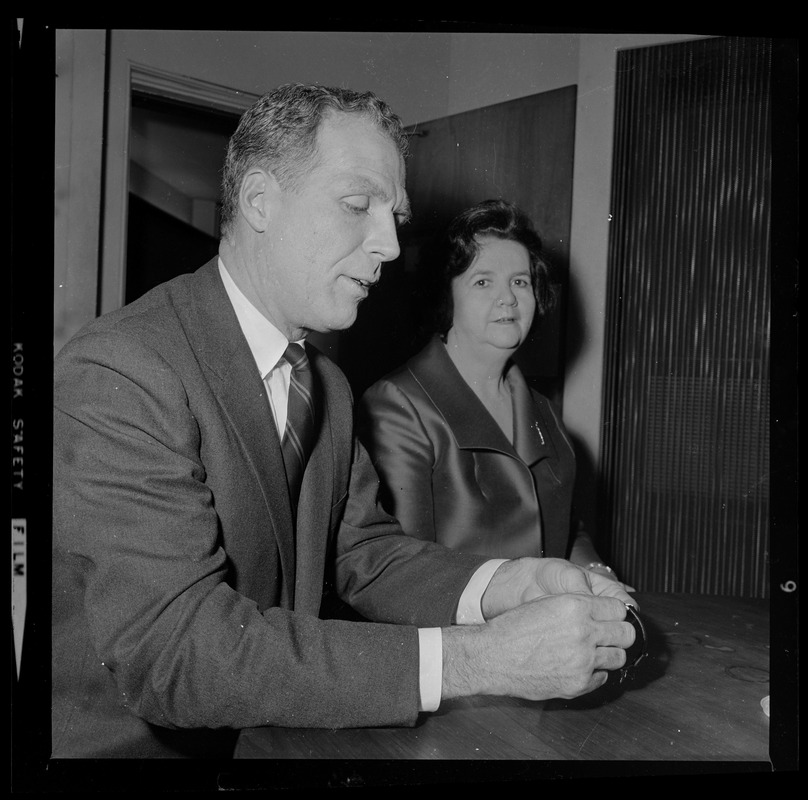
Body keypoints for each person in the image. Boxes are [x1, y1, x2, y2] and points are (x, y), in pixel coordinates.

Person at [52, 83, 637, 760]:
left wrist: (510, 584)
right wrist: (476, 659)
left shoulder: (322, 383)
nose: (389, 245)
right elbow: (178, 656)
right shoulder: (123, 368)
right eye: (358, 205)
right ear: (260, 201)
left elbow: (365, 554)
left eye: (394, 215)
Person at [356, 200, 631, 587]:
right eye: (483, 281)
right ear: (446, 296)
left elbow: (564, 524)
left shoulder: (545, 412)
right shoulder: (397, 406)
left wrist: (598, 577)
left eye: (520, 281)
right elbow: (403, 573)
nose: (509, 298)